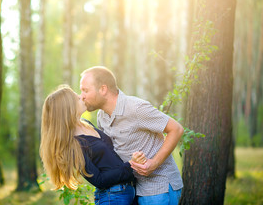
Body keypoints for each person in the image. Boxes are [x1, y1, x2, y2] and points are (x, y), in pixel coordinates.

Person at [80, 66, 184, 205]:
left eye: (85, 90)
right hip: (134, 190)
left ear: (103, 89)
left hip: (159, 188)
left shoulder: (135, 108)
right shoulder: (101, 117)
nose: (82, 96)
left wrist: (154, 163)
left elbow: (176, 129)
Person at [40, 85, 146, 205]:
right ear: (68, 108)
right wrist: (130, 165)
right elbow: (99, 180)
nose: (82, 97)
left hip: (129, 191)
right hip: (112, 197)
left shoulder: (86, 124)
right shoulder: (73, 145)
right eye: (77, 98)